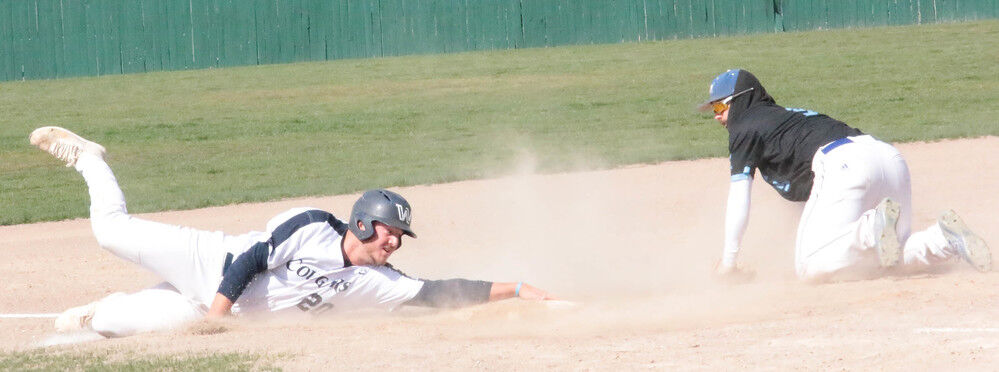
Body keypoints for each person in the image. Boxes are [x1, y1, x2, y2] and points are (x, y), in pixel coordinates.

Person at [29, 126, 554, 338]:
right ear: (363, 223)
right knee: (110, 232)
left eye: (399, 238)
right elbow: (251, 260)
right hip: (207, 265)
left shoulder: (383, 282)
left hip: (209, 309)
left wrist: (517, 288)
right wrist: (219, 317)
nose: (394, 243)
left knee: (110, 327)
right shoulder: (311, 226)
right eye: (389, 233)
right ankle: (90, 160)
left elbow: (441, 292)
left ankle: (103, 307)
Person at [699, 69, 992, 282]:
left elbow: (739, 197)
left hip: (844, 166)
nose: (717, 115)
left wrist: (729, 263)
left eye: (721, 105)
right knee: (883, 260)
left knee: (810, 266)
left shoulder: (745, 125)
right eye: (713, 108)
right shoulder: (786, 119)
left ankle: (870, 228)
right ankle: (944, 240)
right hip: (887, 158)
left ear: (741, 101)